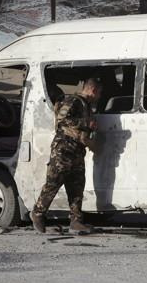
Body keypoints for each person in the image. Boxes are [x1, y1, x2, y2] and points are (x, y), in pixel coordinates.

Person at [30, 78, 103, 234]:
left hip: (77, 151)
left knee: (76, 187)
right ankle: (37, 214)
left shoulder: (87, 106)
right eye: (99, 93)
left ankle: (76, 221)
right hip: (63, 150)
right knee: (53, 183)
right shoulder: (73, 100)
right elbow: (63, 120)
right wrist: (86, 123)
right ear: (93, 90)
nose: (99, 96)